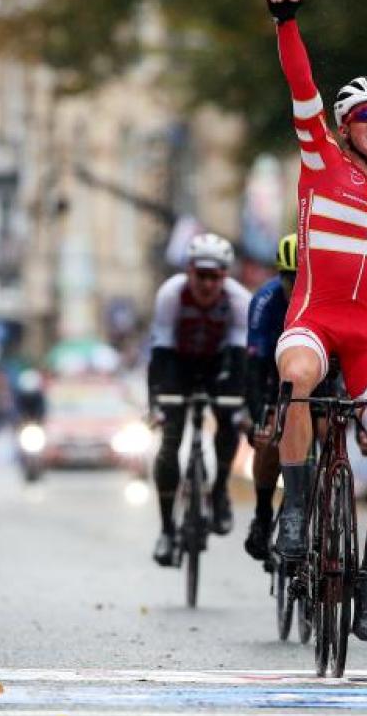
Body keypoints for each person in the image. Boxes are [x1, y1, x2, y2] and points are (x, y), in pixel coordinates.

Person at [265, 0, 367, 642]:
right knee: (295, 377)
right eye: (365, 115)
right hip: (315, 321)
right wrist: (286, 23)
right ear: (346, 128)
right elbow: (303, 92)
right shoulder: (321, 160)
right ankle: (296, 510)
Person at [147, 233, 251, 567]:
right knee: (170, 442)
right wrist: (156, 404)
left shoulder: (238, 300)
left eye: (214, 277)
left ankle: (219, 489)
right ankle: (166, 529)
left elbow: (240, 359)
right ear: (189, 271)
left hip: (218, 365)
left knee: (229, 421)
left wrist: (242, 405)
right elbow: (159, 353)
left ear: (225, 276)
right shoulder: (171, 294)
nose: (206, 284)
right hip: (177, 363)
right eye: (200, 275)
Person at [243, 233, 300, 561]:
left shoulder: (324, 297)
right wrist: (257, 416)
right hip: (272, 375)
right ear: (279, 276)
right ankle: (263, 516)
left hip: (317, 376)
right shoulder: (265, 301)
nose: (295, 285)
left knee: (323, 428)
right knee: (269, 439)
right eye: (289, 278)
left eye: (301, 278)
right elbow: (254, 367)